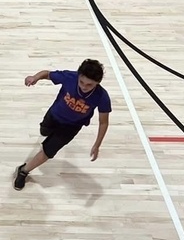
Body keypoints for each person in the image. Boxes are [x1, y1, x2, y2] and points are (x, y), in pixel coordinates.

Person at [14, 59, 112, 190]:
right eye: (82, 82)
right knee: (44, 131)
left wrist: (97, 144)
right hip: (54, 115)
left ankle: (23, 171)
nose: (84, 86)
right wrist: (35, 77)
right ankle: (47, 133)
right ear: (78, 75)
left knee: (49, 151)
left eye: (89, 85)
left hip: (72, 126)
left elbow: (103, 122)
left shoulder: (102, 96)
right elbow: (47, 74)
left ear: (97, 83)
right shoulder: (70, 77)